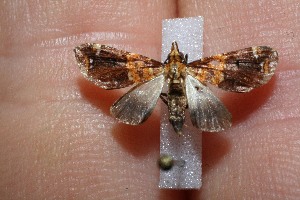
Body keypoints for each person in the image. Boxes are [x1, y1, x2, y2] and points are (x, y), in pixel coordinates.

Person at [1, 1, 299, 199]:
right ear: (183, 59)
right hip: (193, 89)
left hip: (163, 87)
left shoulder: (146, 66)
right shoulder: (205, 67)